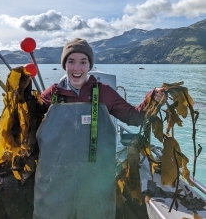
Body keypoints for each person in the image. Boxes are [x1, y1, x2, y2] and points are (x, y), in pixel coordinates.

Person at [33, 38, 165, 219]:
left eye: (83, 62)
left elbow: (134, 118)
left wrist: (152, 98)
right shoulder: (51, 95)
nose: (77, 68)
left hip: (94, 182)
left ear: (89, 66)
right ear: (65, 65)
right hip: (54, 184)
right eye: (71, 62)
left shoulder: (104, 92)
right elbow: (28, 126)